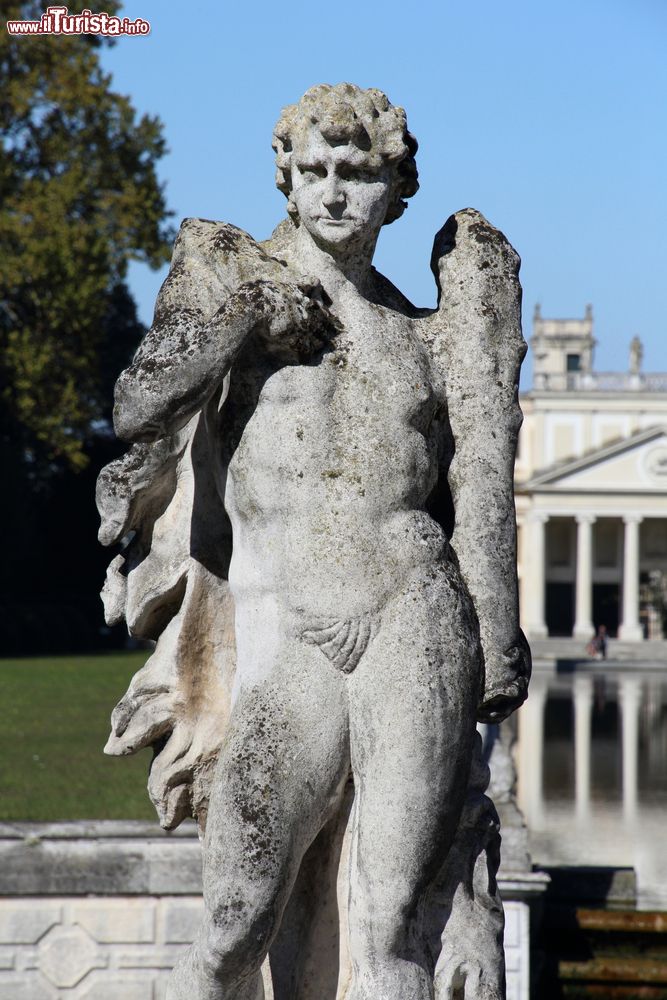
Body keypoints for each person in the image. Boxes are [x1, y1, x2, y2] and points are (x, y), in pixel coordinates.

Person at [104, 84, 530, 1000]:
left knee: (388, 930)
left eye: (359, 175)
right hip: (290, 635)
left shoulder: (422, 337)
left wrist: (495, 624)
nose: (335, 192)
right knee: (234, 916)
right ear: (288, 182)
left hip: (412, 616)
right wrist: (245, 322)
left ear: (395, 190)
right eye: (317, 172)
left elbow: (478, 484)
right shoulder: (232, 282)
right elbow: (136, 403)